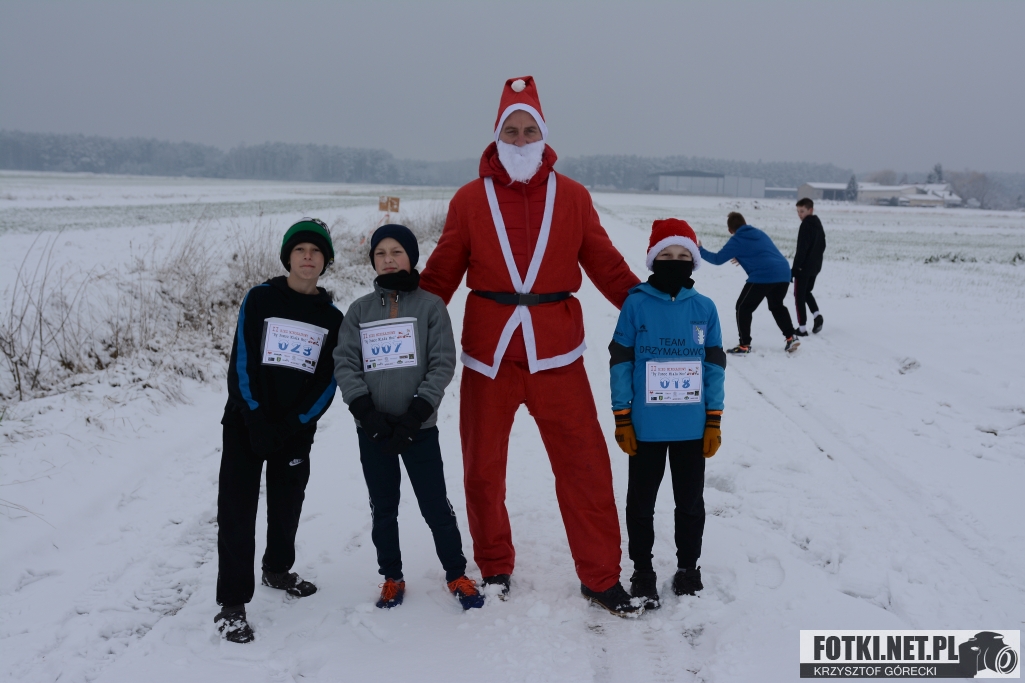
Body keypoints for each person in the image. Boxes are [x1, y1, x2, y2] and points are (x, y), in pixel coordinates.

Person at [419, 76, 644, 617]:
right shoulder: (469, 199)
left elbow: (608, 267)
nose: (520, 141)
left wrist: (657, 310)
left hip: (557, 353)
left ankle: (601, 577)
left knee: (585, 466)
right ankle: (494, 564)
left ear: (543, 136)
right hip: (489, 355)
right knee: (482, 469)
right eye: (511, 131)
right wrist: (397, 319)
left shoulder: (574, 197)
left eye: (529, 131)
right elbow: (441, 275)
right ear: (497, 136)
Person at [333, 224, 484, 611]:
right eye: (380, 253)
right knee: (383, 508)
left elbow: (442, 363)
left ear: (411, 258)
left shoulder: (431, 307)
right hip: (374, 430)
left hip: (419, 428)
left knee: (435, 505)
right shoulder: (360, 310)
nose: (388, 259)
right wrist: (366, 412)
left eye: (396, 252)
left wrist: (417, 413)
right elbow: (345, 363)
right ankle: (391, 577)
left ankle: (457, 574)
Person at [215, 218, 343, 643]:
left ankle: (276, 569)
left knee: (287, 505)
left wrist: (292, 425)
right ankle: (232, 604)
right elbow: (241, 361)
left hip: (294, 431)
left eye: (316, 251)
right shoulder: (260, 298)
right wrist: (255, 418)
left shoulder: (332, 318)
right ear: (288, 257)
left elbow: (328, 382)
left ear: (325, 261)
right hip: (245, 424)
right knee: (237, 511)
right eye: (300, 250)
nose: (308, 257)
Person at [609, 219, 726, 610]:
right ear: (652, 260)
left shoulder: (704, 308)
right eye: (666, 255)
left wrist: (714, 418)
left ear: (693, 261)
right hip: (646, 428)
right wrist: (622, 415)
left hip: (692, 428)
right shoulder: (636, 304)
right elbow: (620, 361)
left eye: (682, 255)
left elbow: (714, 366)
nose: (674, 262)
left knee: (690, 503)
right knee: (641, 504)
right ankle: (642, 570)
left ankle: (688, 567)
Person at [698, 212, 800, 354]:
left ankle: (744, 345)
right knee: (777, 305)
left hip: (764, 275)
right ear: (745, 223)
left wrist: (700, 250)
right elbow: (762, 252)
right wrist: (743, 257)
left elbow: (717, 259)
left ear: (730, 230)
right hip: (783, 272)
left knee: (743, 307)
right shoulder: (759, 233)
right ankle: (791, 337)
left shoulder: (737, 240)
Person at [792, 198, 826, 335]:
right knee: (806, 292)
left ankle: (802, 328)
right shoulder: (817, 223)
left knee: (799, 295)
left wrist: (796, 268)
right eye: (798, 211)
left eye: (802, 211)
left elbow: (802, 249)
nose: (799, 214)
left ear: (810, 210)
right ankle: (817, 315)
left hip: (803, 268)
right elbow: (823, 245)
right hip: (815, 267)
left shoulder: (805, 225)